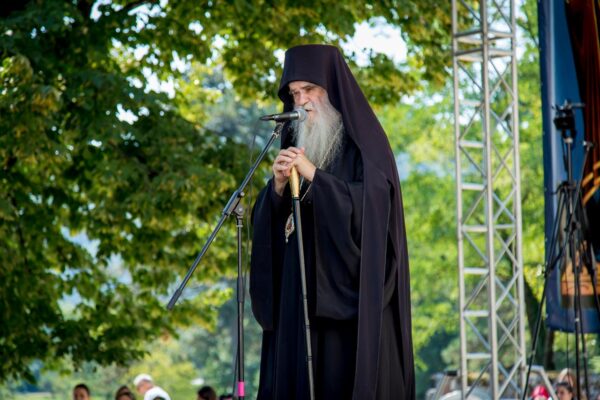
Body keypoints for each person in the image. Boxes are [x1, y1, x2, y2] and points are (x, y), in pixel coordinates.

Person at [250, 44, 414, 399]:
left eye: (309, 89)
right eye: (294, 93)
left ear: (332, 90)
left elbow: (375, 210)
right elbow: (274, 226)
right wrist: (276, 188)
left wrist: (315, 177)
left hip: (345, 304)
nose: (301, 101)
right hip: (299, 295)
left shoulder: (365, 144)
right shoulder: (295, 140)